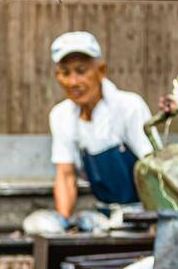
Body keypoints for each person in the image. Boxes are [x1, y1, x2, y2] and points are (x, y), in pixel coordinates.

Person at [49, 30, 153, 220]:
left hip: (143, 214)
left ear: (101, 70)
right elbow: (65, 176)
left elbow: (154, 169)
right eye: (65, 73)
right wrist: (61, 224)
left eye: (81, 71)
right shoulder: (61, 115)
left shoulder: (129, 106)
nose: (73, 82)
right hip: (104, 217)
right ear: (57, 76)